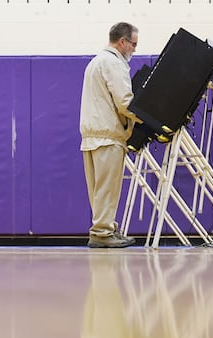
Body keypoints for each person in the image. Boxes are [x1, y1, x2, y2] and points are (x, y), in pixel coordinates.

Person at [80, 22, 141, 249]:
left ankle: (103, 227)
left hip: (91, 135)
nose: (135, 49)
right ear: (122, 42)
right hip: (108, 135)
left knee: (98, 189)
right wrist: (146, 117)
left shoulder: (95, 62)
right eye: (133, 44)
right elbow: (125, 102)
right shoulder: (114, 63)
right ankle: (103, 232)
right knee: (108, 188)